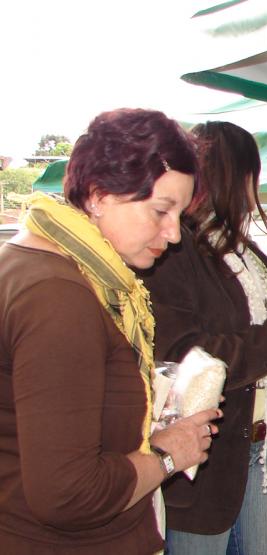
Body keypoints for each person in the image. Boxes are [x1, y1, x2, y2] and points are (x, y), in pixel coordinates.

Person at [0, 109, 220, 553]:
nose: (174, 234)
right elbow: (68, 494)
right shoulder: (59, 296)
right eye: (161, 210)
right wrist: (165, 454)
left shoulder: (31, 264)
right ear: (99, 194)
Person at [140, 121, 267, 554]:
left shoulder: (243, 246)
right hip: (207, 458)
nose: (254, 189)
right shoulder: (174, 249)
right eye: (251, 175)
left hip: (262, 445)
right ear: (233, 174)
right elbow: (182, 356)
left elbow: (256, 333)